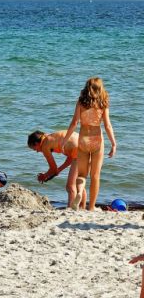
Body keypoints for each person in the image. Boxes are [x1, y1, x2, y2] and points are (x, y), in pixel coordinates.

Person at [62, 77, 117, 211]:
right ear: (100, 88)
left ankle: (80, 192)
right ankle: (91, 207)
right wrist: (113, 144)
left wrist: (64, 140)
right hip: (97, 139)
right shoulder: (103, 103)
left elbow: (74, 123)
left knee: (81, 175)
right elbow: (108, 126)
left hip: (83, 140)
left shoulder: (81, 102)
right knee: (95, 175)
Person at [27, 130, 84, 208]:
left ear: (36, 143)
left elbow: (53, 168)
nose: (37, 151)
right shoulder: (52, 138)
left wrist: (45, 176)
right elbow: (70, 158)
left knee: (70, 187)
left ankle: (70, 209)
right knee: (80, 184)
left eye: (35, 149)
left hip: (79, 151)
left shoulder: (45, 145)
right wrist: (58, 170)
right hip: (86, 145)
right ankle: (82, 207)